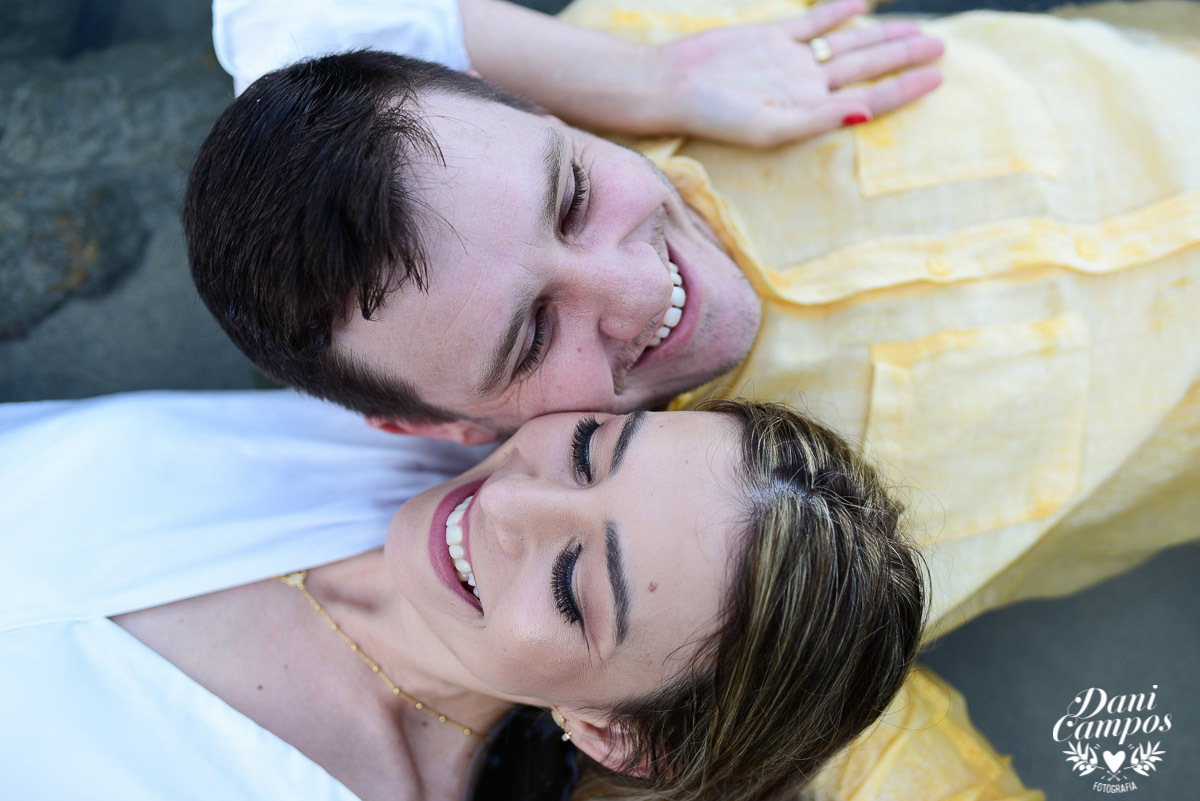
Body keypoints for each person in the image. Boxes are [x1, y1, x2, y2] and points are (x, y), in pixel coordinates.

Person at [0, 390, 926, 801]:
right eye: (588, 450)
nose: (509, 499)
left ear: (611, 730)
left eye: (572, 584)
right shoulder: (411, 421)